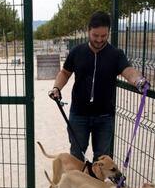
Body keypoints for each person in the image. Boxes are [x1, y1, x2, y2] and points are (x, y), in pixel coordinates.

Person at [48, 11, 148, 162]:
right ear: (88, 30)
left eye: (104, 36)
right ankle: (78, 185)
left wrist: (139, 81)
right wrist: (56, 88)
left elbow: (128, 71)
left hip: (105, 117)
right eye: (95, 35)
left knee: (102, 161)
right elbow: (65, 73)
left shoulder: (116, 54)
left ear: (109, 32)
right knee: (76, 156)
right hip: (79, 115)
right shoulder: (77, 52)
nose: (99, 40)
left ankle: (97, 185)